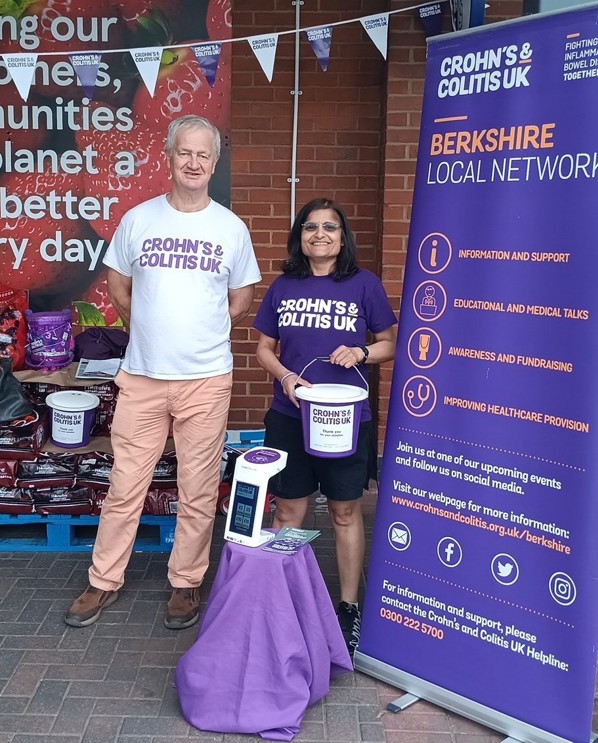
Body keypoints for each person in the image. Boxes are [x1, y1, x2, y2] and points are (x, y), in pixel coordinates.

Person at [65, 115, 261, 630]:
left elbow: (241, 297)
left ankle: (186, 582)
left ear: (214, 164)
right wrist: (149, 328)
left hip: (206, 380)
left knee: (198, 488)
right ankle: (102, 580)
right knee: (125, 484)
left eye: (204, 155)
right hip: (144, 378)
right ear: (169, 158)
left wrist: (198, 329)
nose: (194, 163)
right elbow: (118, 285)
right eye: (185, 153)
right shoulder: (139, 219)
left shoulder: (230, 228)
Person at [253, 198, 397, 653]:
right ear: (300, 236)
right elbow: (263, 349)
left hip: (345, 420)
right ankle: (284, 600)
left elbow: (390, 344)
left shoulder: (364, 285)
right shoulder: (283, 287)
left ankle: (348, 607)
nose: (320, 234)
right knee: (288, 512)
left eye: (330, 227)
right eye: (311, 227)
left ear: (342, 236)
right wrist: (286, 376)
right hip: (290, 417)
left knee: (344, 512)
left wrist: (361, 353)